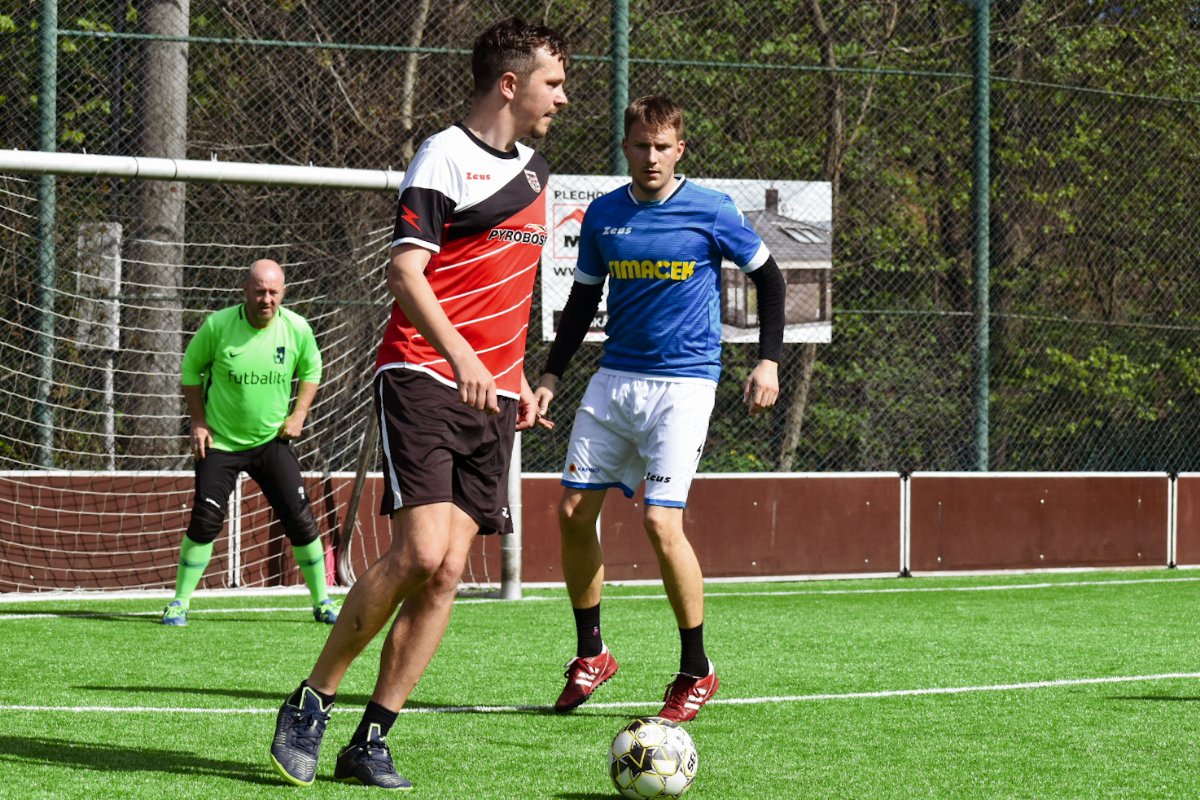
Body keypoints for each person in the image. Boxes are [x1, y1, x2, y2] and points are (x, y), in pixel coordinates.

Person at [268, 17, 569, 790]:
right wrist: (464, 356)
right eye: (553, 83)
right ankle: (311, 700)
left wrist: (517, 379)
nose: (562, 98)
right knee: (421, 553)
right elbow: (406, 273)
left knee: (447, 573)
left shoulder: (537, 174)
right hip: (423, 374)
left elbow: (510, 292)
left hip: (492, 396)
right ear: (511, 84)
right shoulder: (442, 156)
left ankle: (371, 740)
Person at [533, 95, 785, 723]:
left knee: (659, 522)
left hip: (685, 384)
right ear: (626, 147)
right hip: (615, 380)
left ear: (680, 150)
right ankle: (592, 654)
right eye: (641, 145)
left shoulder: (712, 209)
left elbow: (771, 279)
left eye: (663, 146)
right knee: (571, 512)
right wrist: (551, 376)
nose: (651, 156)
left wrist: (769, 361)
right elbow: (582, 302)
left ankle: (697, 669)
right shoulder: (603, 215)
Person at [162, 258, 336, 627]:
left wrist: (299, 415)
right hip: (221, 443)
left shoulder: (297, 328)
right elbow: (191, 369)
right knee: (206, 519)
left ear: (283, 293)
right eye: (259, 292)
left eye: (273, 292)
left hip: (272, 442)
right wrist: (198, 421)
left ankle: (322, 601)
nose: (266, 299)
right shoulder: (218, 326)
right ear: (245, 291)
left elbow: (312, 368)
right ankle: (179, 602)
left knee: (300, 518)